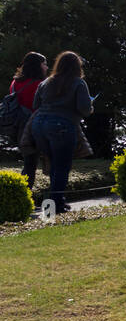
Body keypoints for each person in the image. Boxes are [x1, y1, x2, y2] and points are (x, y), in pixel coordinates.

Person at [28, 51, 93, 214]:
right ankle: (56, 205)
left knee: (53, 165)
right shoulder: (78, 83)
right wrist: (91, 107)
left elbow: (36, 104)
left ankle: (52, 204)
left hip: (39, 125)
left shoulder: (46, 82)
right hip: (61, 126)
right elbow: (84, 109)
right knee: (62, 166)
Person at [7, 52, 46, 190]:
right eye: (44, 64)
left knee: (28, 161)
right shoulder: (39, 84)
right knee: (31, 163)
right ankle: (25, 195)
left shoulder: (14, 82)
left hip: (17, 126)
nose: (46, 67)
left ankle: (23, 194)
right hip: (32, 127)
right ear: (37, 66)